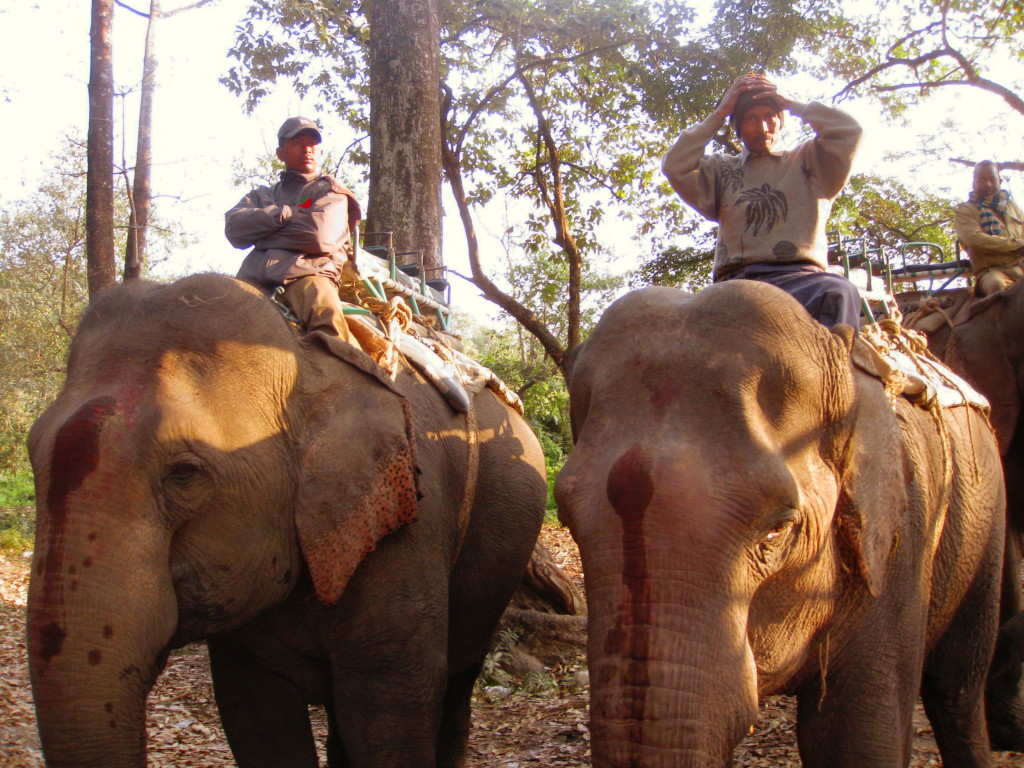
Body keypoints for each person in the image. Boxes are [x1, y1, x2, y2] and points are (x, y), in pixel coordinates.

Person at [662, 73, 864, 330]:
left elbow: (849, 130)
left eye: (770, 116)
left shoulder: (812, 160)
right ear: (738, 127)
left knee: (839, 292)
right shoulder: (721, 170)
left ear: (781, 121)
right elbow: (674, 164)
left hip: (801, 280)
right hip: (736, 281)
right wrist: (721, 112)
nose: (763, 126)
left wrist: (790, 103)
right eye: (751, 118)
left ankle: (837, 369)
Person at [226, 116, 361, 347]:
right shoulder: (262, 195)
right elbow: (234, 229)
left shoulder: (331, 191)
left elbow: (318, 237)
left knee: (328, 322)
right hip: (253, 280)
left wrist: (261, 238)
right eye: (297, 143)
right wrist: (286, 213)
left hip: (308, 276)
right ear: (281, 153)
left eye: (312, 144)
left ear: (320, 152)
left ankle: (359, 377)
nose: (306, 149)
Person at [954, 160, 1024, 297]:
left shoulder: (1012, 207)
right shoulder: (966, 210)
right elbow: (975, 240)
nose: (988, 184)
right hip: (992, 272)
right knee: (996, 285)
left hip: (1020, 268)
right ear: (974, 183)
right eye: (982, 180)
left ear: (1000, 182)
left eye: (992, 179)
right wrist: (1016, 246)